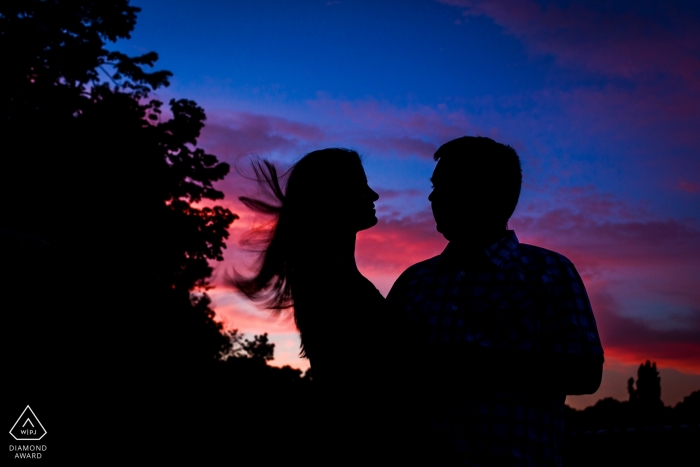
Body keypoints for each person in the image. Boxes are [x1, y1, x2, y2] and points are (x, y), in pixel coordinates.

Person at [387, 136, 604, 466]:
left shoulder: (548, 273)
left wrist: (486, 363)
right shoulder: (414, 281)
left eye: (446, 185)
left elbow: (586, 372)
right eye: (434, 185)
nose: (433, 196)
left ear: (489, 194)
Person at [232, 148, 394, 464]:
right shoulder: (333, 283)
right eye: (360, 186)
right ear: (332, 197)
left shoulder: (326, 275)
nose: (373, 194)